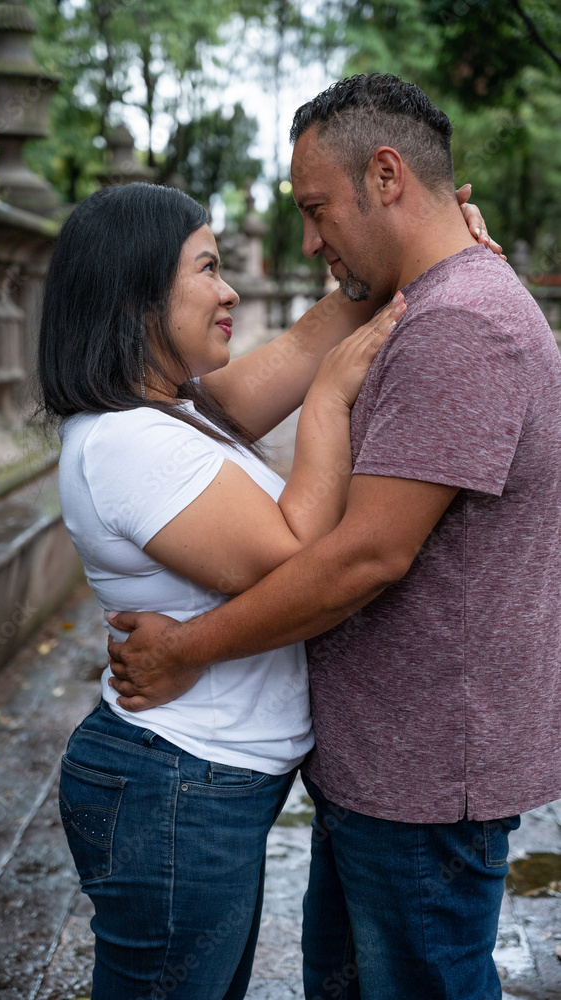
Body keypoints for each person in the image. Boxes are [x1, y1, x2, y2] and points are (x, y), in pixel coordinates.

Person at [107, 74, 561, 1000]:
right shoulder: (434, 303)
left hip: (422, 775)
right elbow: (223, 407)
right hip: (390, 768)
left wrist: (184, 650)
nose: (310, 242)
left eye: (316, 210)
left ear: (386, 176)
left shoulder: (459, 326)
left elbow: (365, 557)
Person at [37, 179, 420, 1000]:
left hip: (195, 783)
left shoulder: (177, 412)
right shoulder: (129, 442)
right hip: (176, 784)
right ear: (137, 297)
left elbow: (307, 340)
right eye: (207, 268)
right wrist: (328, 401)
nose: (230, 290)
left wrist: (413, 243)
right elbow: (297, 561)